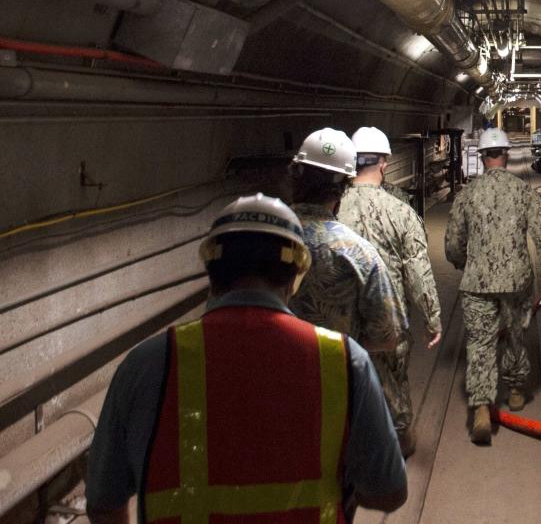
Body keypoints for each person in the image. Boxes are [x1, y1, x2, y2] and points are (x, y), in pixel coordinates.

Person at [85, 194, 407, 523]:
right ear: (296, 273)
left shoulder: (145, 364)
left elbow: (103, 502)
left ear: (212, 271)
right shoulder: (344, 360)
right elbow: (388, 492)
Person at [444, 127, 541, 445]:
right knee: (514, 335)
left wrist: (462, 263)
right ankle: (515, 391)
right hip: (516, 281)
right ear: (506, 155)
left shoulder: (467, 194)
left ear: (482, 158)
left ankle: (481, 406)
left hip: (477, 282)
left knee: (480, 345)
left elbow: (454, 244)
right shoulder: (523, 192)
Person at [338, 126, 443, 457]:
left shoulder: (331, 208)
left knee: (341, 384)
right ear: (384, 163)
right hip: (388, 320)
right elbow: (418, 272)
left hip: (337, 324)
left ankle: (346, 445)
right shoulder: (401, 212)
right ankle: (399, 442)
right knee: (393, 383)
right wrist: (432, 318)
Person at [288, 128, 403, 354]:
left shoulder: (259, 239)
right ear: (343, 187)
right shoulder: (358, 253)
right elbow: (387, 337)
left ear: (296, 176)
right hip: (333, 379)